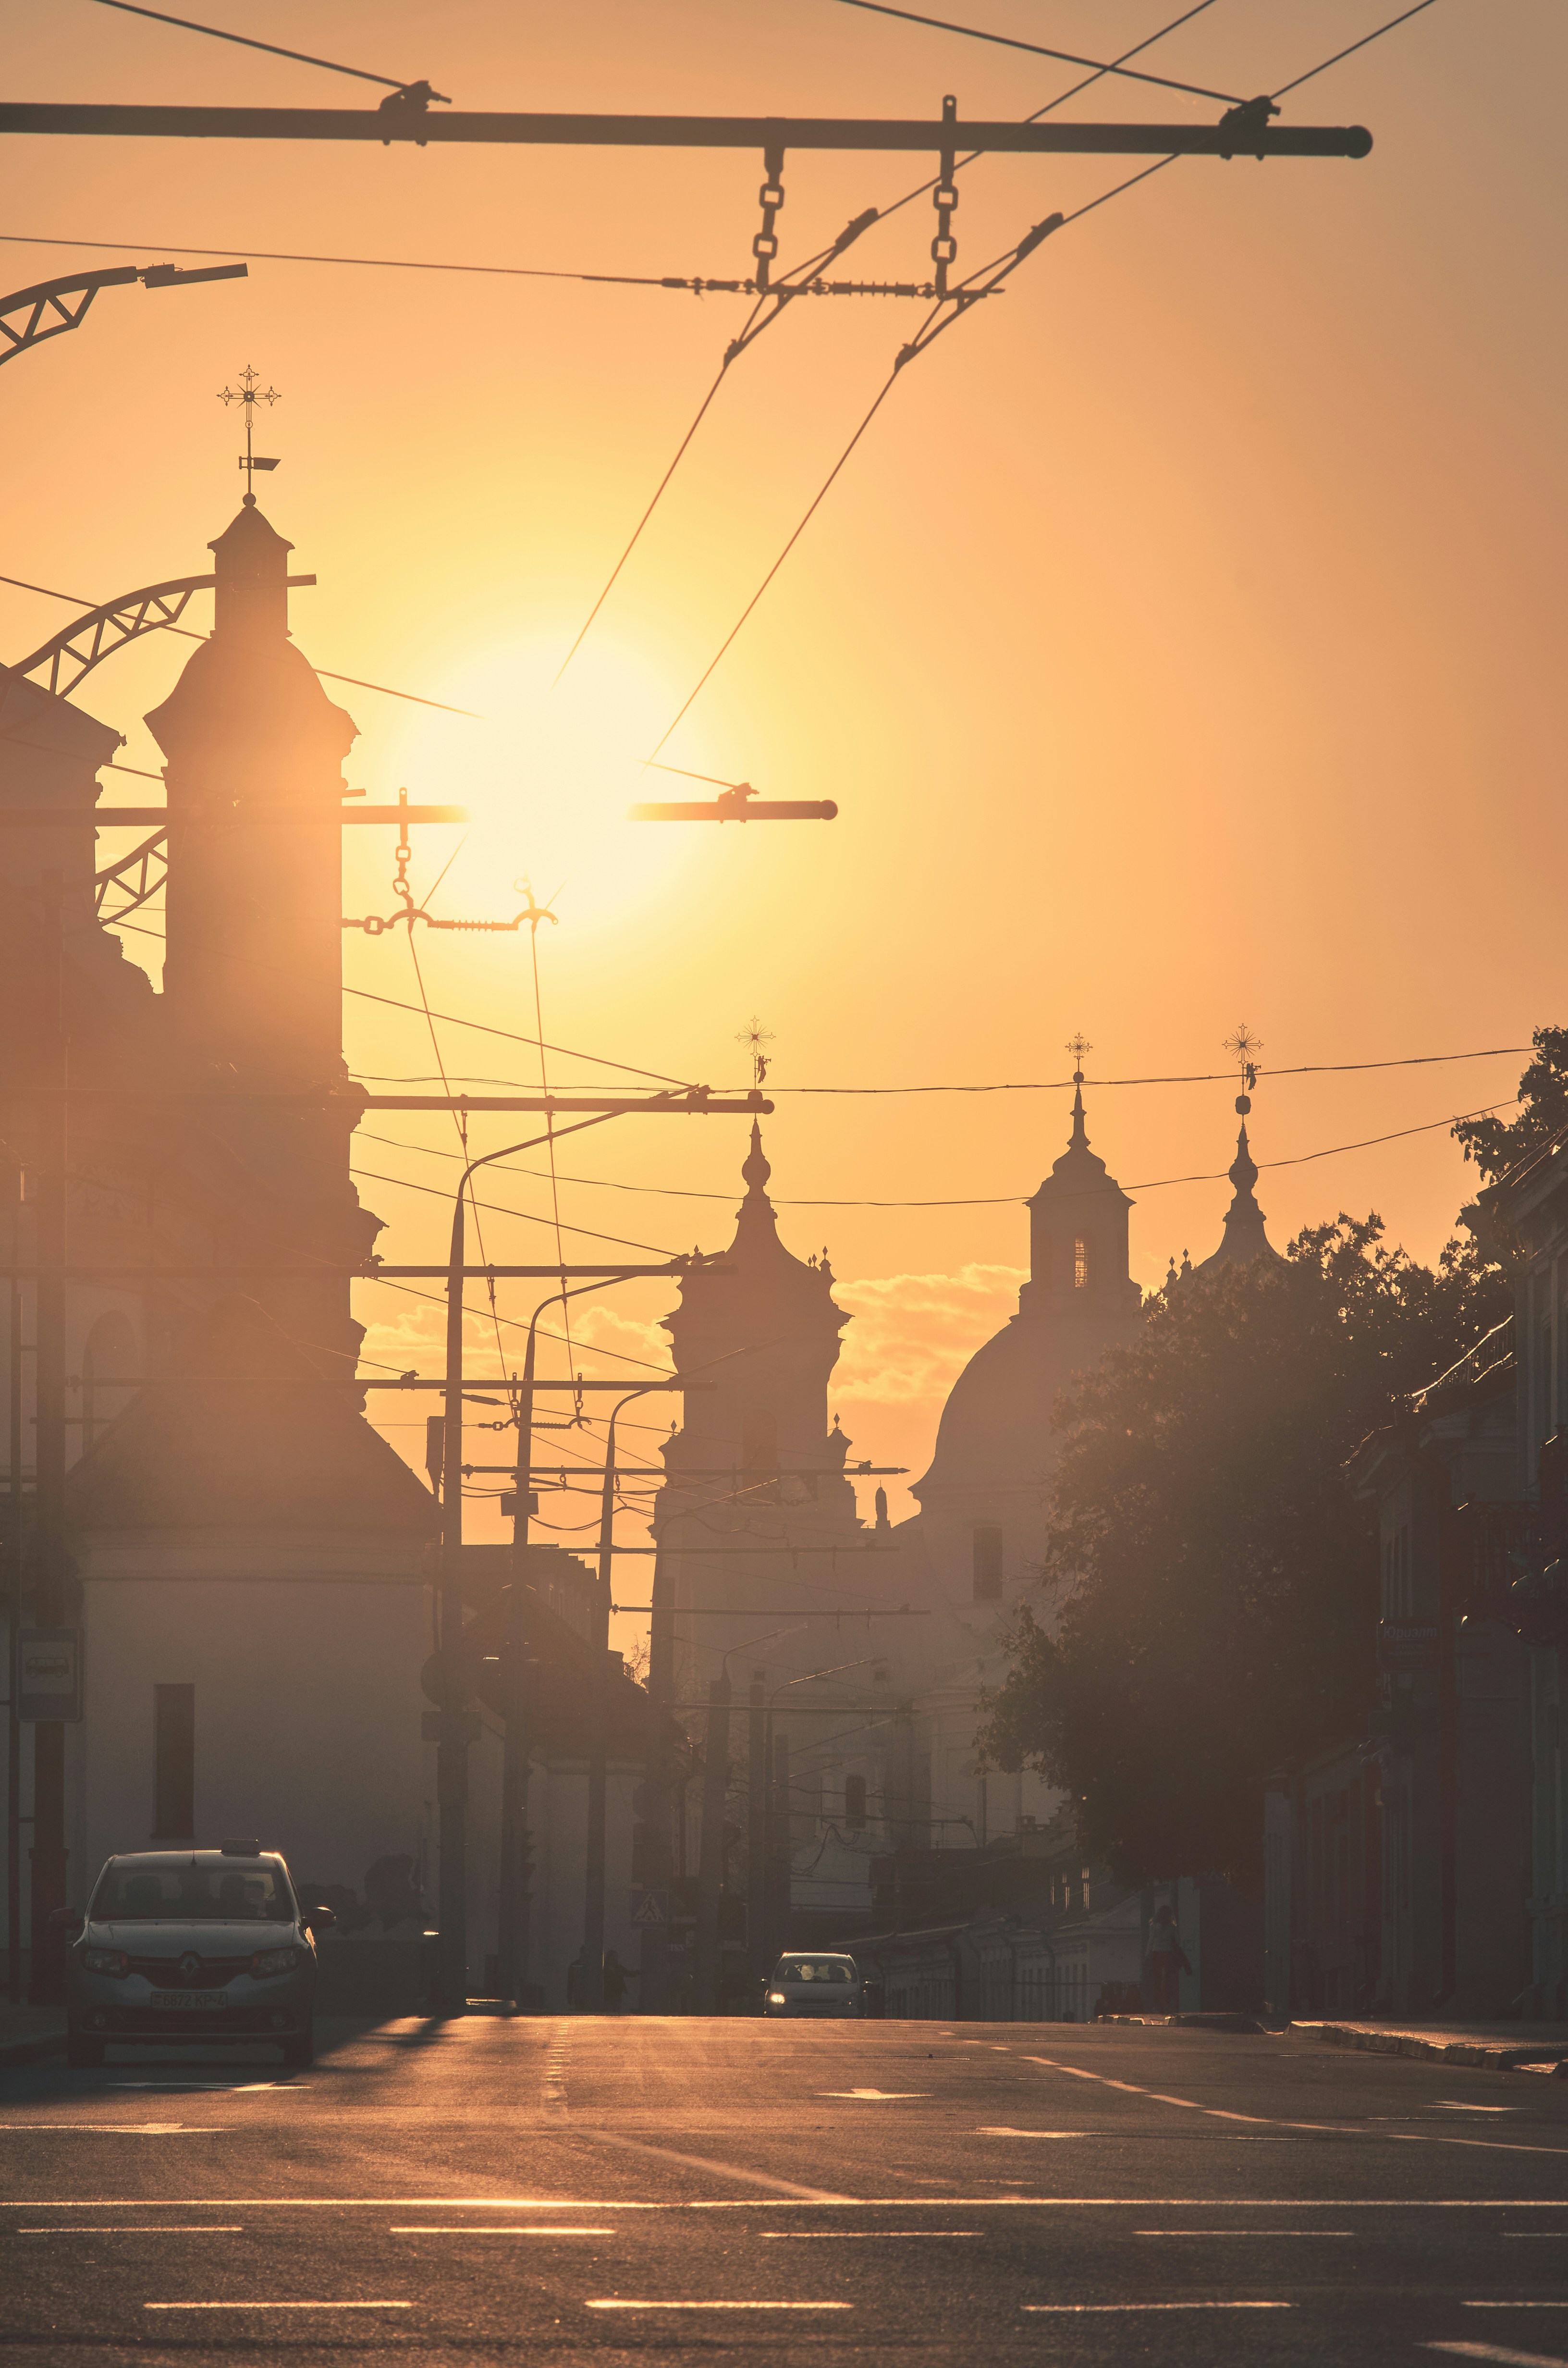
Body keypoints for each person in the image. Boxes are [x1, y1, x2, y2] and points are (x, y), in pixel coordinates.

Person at [1145, 1902, 1192, 2014]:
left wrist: (1147, 1955)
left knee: (1157, 1980)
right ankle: (1167, 2003)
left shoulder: (1154, 1927)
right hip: (1169, 1954)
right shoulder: (1172, 1927)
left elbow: (1151, 1942)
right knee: (1168, 1980)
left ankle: (1157, 2005)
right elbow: (1178, 1941)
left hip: (1157, 1954)